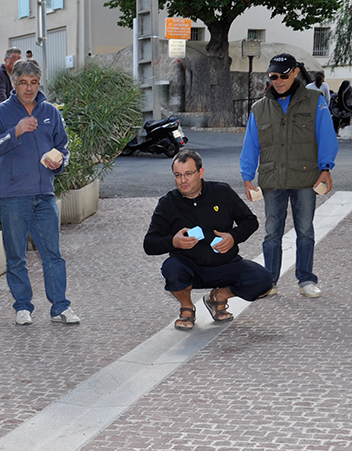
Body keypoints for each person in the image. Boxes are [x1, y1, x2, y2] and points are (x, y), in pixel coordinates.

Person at [0, 58, 80, 326]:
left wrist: (59, 162)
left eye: (34, 83)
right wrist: (15, 132)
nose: (29, 88)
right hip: (13, 197)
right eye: (23, 83)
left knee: (53, 255)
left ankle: (60, 307)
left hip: (45, 195)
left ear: (39, 83)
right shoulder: (0, 113)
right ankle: (23, 307)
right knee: (16, 256)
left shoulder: (50, 112)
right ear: (14, 83)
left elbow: (64, 148)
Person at [241, 53, 338, 298]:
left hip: (306, 179)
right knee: (272, 232)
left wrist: (326, 169)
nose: (279, 80)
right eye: (273, 76)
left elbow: (326, 136)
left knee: (305, 231)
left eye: (284, 75)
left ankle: (306, 279)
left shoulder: (315, 101)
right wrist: (247, 176)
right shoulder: (259, 108)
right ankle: (269, 281)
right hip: (272, 180)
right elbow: (251, 144)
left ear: (295, 72)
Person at [143, 149, 272, 331]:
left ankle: (218, 297)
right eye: (178, 175)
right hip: (190, 267)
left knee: (263, 280)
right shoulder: (168, 203)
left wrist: (233, 237)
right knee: (171, 268)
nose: (183, 180)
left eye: (188, 174)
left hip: (226, 264)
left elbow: (250, 222)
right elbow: (149, 243)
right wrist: (174, 241)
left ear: (201, 172)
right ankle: (187, 307)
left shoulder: (222, 192)